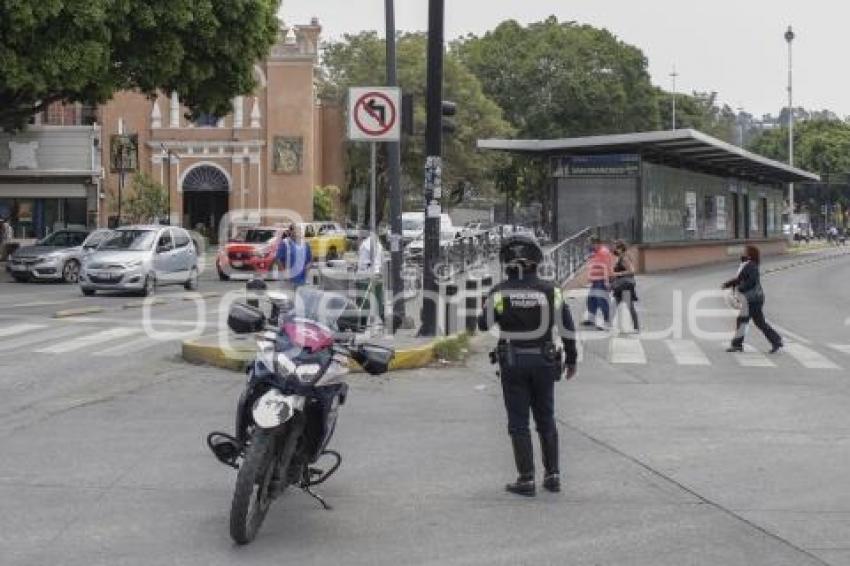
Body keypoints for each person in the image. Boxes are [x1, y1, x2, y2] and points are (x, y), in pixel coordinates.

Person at [479, 235, 579, 497]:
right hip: (545, 361)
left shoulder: (499, 292)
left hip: (513, 362)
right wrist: (571, 358)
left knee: (518, 421)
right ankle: (553, 475)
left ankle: (526, 479)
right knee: (546, 417)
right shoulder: (551, 290)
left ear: (506, 263)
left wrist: (485, 306)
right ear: (537, 261)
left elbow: (483, 325)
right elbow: (567, 327)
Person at [722, 245, 783, 354]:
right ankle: (776, 341)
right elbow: (739, 279)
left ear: (750, 253)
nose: (743, 252)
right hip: (755, 299)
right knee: (759, 322)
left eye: (745, 251)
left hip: (752, 299)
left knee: (742, 320)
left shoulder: (752, 266)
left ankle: (737, 345)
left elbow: (751, 281)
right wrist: (727, 284)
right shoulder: (749, 265)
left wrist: (741, 288)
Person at [583, 237, 614, 330]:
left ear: (596, 243)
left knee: (602, 301)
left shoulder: (603, 252)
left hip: (601, 280)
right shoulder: (596, 252)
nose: (590, 246)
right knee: (591, 300)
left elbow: (606, 267)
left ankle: (607, 322)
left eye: (591, 244)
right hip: (596, 280)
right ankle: (591, 320)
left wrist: (606, 281)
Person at [610, 240, 639, 333]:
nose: (614, 249)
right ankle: (610, 324)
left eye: (616, 247)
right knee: (616, 305)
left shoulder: (624, 258)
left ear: (620, 248)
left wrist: (617, 274)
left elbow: (631, 271)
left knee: (628, 306)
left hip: (625, 286)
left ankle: (636, 327)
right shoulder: (622, 256)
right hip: (622, 286)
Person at [357, 232, 386, 323]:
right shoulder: (379, 245)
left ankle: (362, 322)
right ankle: (383, 318)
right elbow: (381, 261)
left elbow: (363, 263)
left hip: (366, 275)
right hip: (377, 275)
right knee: (378, 298)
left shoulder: (364, 246)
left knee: (364, 300)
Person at [275, 224, 312, 290]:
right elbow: (278, 259)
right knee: (288, 298)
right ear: (290, 231)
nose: (298, 232)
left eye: (300, 230)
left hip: (302, 280)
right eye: (295, 230)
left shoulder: (306, 244)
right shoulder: (285, 243)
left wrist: (306, 272)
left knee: (299, 299)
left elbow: (309, 261)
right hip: (288, 280)